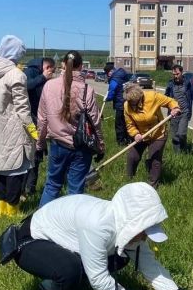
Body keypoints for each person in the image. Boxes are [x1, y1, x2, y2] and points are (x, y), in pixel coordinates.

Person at [12, 181, 193, 290]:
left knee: (120, 258)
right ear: (134, 223)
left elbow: (152, 268)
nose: (144, 237)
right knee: (69, 270)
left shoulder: (127, 227)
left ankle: (53, 285)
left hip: (59, 243)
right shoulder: (98, 225)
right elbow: (99, 278)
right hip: (28, 241)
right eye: (144, 231)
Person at [37, 51, 104, 207]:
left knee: (52, 185)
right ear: (81, 66)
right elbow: (95, 121)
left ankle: (39, 225)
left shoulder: (49, 86)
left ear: (62, 65)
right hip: (81, 147)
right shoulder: (86, 89)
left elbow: (42, 119)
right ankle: (72, 227)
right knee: (75, 191)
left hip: (57, 144)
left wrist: (40, 144)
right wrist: (100, 145)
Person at [0, 35, 38, 217]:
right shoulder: (17, 74)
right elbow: (22, 107)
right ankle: (12, 210)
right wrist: (33, 130)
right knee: (16, 171)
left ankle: (1, 209)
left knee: (2, 168)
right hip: (16, 128)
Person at [123, 84, 180, 189]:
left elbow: (170, 101)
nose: (131, 104)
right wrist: (135, 134)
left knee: (154, 159)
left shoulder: (152, 97)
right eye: (129, 102)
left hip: (158, 134)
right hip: (141, 135)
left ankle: (152, 186)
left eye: (133, 102)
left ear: (139, 97)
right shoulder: (127, 106)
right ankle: (129, 181)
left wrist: (175, 108)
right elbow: (129, 125)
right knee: (132, 156)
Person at [23, 57, 56, 197]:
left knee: (37, 154)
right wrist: (43, 77)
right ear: (46, 67)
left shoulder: (40, 75)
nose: (51, 73)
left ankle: (30, 188)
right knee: (33, 154)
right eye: (51, 70)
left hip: (38, 117)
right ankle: (26, 189)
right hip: (30, 118)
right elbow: (25, 86)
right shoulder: (30, 71)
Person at [164, 64, 193, 152]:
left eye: (177, 74)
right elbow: (166, 96)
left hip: (185, 112)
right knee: (175, 136)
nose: (175, 76)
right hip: (174, 112)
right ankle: (178, 154)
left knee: (181, 133)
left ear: (182, 72)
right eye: (174, 74)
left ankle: (184, 147)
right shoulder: (170, 83)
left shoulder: (188, 83)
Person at [104, 66, 131, 145]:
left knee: (119, 124)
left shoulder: (115, 79)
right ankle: (129, 139)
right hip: (128, 103)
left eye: (108, 73)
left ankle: (121, 141)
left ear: (111, 71)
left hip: (120, 105)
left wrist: (107, 98)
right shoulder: (124, 76)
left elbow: (112, 90)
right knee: (128, 122)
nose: (108, 75)